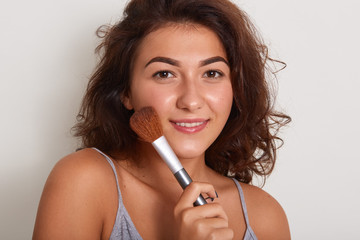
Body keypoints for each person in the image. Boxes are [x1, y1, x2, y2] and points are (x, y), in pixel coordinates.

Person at [33, 0, 291, 239]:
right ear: (126, 93)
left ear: (236, 89)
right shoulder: (84, 181)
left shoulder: (264, 216)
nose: (191, 100)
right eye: (165, 74)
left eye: (212, 73)